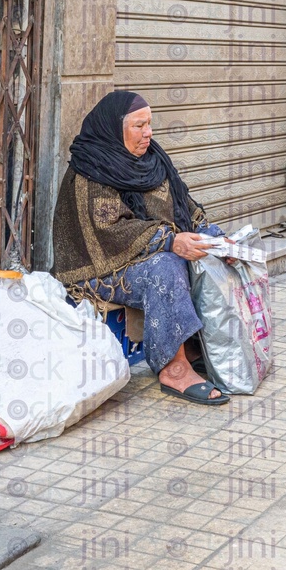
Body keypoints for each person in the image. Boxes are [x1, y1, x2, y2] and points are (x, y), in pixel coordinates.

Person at [51, 90, 230, 405]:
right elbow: (108, 231)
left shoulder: (151, 160)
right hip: (97, 267)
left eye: (149, 124)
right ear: (115, 128)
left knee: (211, 248)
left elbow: (183, 209)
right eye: (138, 126)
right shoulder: (91, 169)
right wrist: (171, 241)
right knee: (165, 266)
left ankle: (198, 347)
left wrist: (212, 236)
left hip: (139, 253)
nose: (148, 133)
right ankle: (173, 368)